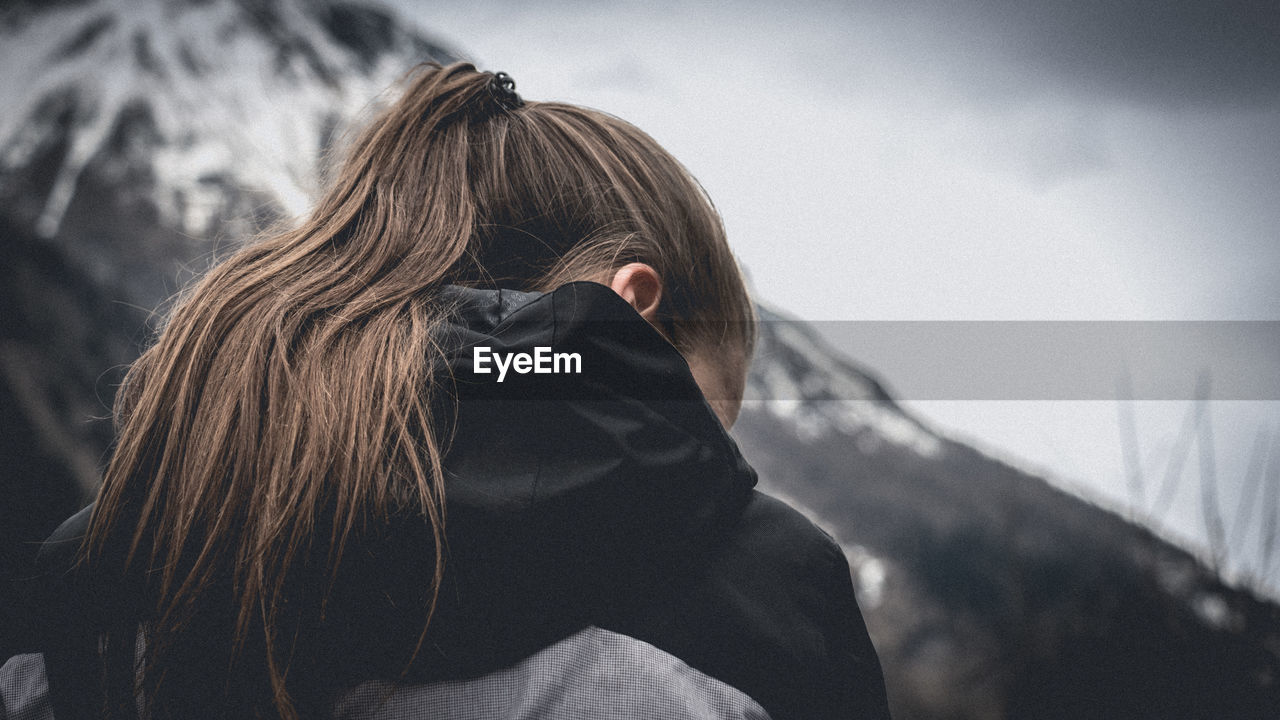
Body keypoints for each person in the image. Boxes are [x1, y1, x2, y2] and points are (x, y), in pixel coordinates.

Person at [1, 62, 890, 719]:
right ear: (634, 312)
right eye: (698, 421)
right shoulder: (767, 594)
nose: (714, 473)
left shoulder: (109, 559)